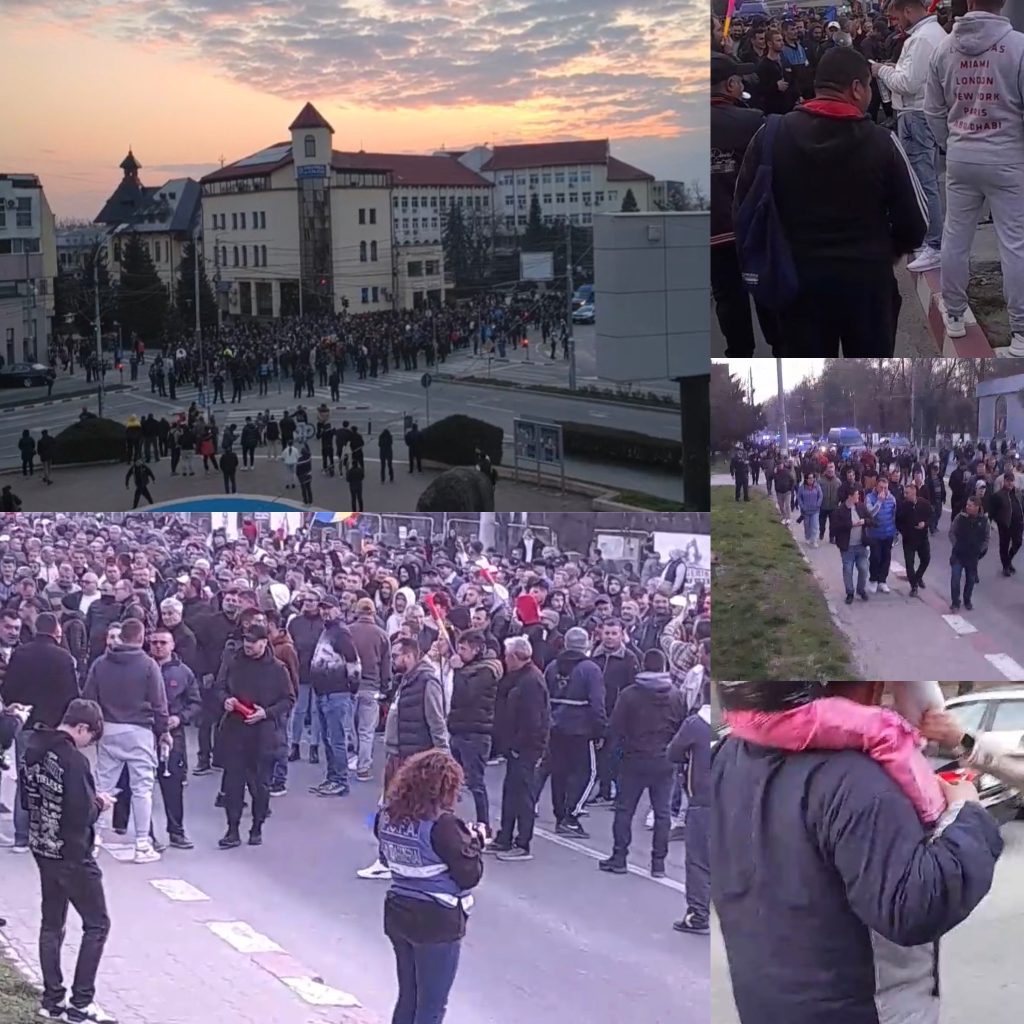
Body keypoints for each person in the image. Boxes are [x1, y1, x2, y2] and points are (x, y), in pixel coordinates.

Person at [713, 681, 1003, 1024]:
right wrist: (968, 818)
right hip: (860, 1008)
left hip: (765, 1002)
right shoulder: (859, 781)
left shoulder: (727, 755)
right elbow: (914, 907)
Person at [734, 47, 927, 355]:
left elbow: (744, 211)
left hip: (796, 284)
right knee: (869, 378)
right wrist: (885, 252)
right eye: (869, 86)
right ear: (856, 88)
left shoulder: (770, 136)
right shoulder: (882, 142)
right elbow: (916, 222)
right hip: (866, 287)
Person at [925, 0, 1024, 350]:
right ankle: (1021, 332)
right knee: (1014, 243)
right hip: (1008, 158)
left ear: (968, 2)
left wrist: (951, 143)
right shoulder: (1018, 47)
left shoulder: (944, 49)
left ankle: (954, 314)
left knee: (955, 236)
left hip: (961, 157)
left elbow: (932, 109)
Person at [21, 698, 117, 1024]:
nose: (88, 744)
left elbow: (26, 801)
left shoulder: (32, 749)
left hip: (42, 846)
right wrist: (99, 803)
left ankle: (52, 1000)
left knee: (52, 924)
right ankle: (81, 1004)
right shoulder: (73, 761)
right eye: (91, 737)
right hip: (72, 853)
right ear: (82, 728)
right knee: (97, 924)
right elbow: (81, 814)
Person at [375, 749, 484, 1024]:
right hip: (437, 919)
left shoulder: (385, 817)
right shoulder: (443, 825)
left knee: (408, 997)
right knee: (431, 1006)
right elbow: (469, 875)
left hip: (398, 912)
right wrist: (475, 843)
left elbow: (387, 858)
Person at [870, 0, 948, 273]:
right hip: (919, 113)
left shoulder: (922, 39)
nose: (895, 24)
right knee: (925, 178)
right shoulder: (929, 35)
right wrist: (895, 68)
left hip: (915, 114)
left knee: (924, 180)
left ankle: (935, 244)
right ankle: (932, 240)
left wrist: (882, 71)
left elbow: (908, 83)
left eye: (895, 18)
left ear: (907, 11)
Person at [83, 617, 168, 865]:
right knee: (142, 789)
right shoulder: (149, 665)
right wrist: (163, 731)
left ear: (121, 637)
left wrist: (94, 729)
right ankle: (142, 843)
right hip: (139, 731)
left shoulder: (101, 663)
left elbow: (88, 698)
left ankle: (93, 839)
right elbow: (159, 703)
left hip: (108, 728)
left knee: (103, 786)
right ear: (141, 638)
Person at [600, 649, 685, 879]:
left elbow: (615, 727)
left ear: (643, 665)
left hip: (634, 759)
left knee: (625, 810)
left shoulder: (630, 695)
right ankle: (658, 863)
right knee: (662, 813)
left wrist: (618, 751)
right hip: (664, 760)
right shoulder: (676, 696)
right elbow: (681, 727)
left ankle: (619, 857)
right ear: (664, 666)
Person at [1, 611, 81, 854]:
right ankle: (48, 835)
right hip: (54, 728)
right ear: (56, 631)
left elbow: (8, 689)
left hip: (27, 724)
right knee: (53, 780)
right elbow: (73, 696)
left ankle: (21, 837)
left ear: (36, 629)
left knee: (25, 778)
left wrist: (17, 708)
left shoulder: (20, 653)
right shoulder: (64, 658)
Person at [213, 622, 294, 848]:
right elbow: (219, 687)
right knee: (233, 784)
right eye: (246, 641)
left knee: (260, 786)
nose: (248, 646)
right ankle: (232, 830)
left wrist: (266, 713)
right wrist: (225, 700)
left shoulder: (277, 669)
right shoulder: (234, 662)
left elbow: (288, 699)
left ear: (264, 643)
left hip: (263, 734)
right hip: (235, 730)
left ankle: (257, 827)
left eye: (252, 642)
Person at [542, 626, 607, 839]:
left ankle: (560, 815)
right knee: (587, 773)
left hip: (555, 727)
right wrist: (600, 730)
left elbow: (544, 696)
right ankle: (571, 815)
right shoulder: (590, 669)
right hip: (581, 729)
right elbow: (597, 702)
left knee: (559, 773)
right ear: (586, 644)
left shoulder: (552, 666)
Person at [489, 635, 549, 862]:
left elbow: (534, 720)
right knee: (511, 793)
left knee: (523, 796)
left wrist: (519, 745)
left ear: (515, 657)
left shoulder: (531, 682)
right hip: (515, 746)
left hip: (526, 748)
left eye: (507, 656)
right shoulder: (518, 678)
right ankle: (504, 837)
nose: (505, 660)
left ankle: (523, 843)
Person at [447, 629, 502, 839]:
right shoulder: (469, 668)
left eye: (463, 649)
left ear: (476, 649)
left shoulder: (487, 670)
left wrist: (458, 671)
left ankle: (484, 825)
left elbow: (467, 695)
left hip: (475, 732)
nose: (459, 653)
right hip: (459, 728)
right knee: (453, 779)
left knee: (475, 782)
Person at [309, 596, 362, 798]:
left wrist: (352, 689)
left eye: (329, 608)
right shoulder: (327, 631)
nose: (325, 612)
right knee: (328, 739)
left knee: (336, 739)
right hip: (323, 693)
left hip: (337, 693)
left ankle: (340, 781)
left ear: (338, 609)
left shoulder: (341, 633)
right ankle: (332, 778)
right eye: (322, 608)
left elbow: (353, 662)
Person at [668, 689, 710, 934]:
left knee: (699, 862)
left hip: (704, 800)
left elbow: (673, 752)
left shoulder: (696, 724)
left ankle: (698, 916)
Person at [349, 597, 392, 782]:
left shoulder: (348, 632)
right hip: (371, 687)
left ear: (357, 611)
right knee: (366, 731)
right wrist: (385, 687)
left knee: (348, 727)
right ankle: (363, 768)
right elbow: (386, 664)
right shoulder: (382, 635)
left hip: (349, 686)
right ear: (373, 613)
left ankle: (348, 760)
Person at [949, 494, 990, 611]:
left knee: (970, 580)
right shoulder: (960, 517)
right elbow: (951, 532)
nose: (967, 507)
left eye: (970, 505)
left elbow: (987, 538)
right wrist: (956, 545)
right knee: (955, 578)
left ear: (977, 507)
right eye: (967, 505)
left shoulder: (984, 521)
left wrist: (980, 550)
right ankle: (955, 602)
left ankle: (967, 599)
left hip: (972, 557)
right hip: (958, 555)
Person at [832, 485, 870, 604]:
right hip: (847, 546)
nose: (858, 496)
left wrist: (865, 521)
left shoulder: (861, 507)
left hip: (861, 545)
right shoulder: (840, 510)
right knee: (848, 569)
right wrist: (850, 524)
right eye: (856, 495)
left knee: (864, 568)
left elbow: (872, 520)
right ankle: (850, 592)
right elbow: (834, 527)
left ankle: (861, 589)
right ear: (850, 496)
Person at [896, 481, 932, 596]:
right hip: (909, 540)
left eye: (907, 493)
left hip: (922, 538)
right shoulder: (903, 506)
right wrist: (905, 532)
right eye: (904, 493)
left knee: (926, 559)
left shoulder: (924, 504)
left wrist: (925, 524)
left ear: (914, 492)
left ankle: (918, 577)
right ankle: (914, 586)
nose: (905, 495)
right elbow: (898, 522)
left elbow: (931, 517)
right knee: (909, 564)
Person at [865, 477, 897, 594]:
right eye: (881, 487)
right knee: (875, 557)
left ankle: (882, 581)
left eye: (885, 488)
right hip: (875, 534)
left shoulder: (892, 499)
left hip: (888, 533)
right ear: (876, 487)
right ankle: (873, 579)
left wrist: (895, 532)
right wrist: (879, 502)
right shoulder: (870, 498)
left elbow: (894, 516)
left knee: (886, 558)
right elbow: (870, 514)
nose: (883, 490)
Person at [989, 470, 1024, 576]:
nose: (1010, 483)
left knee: (1018, 543)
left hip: (1018, 524)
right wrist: (998, 522)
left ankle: (1008, 560)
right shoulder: (998, 495)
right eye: (1008, 480)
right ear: (1004, 481)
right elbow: (992, 512)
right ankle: (1005, 566)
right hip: (1005, 526)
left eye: (1012, 481)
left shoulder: (1017, 493)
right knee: (1004, 546)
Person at [796, 472, 823, 547]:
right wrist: (802, 506)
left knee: (815, 525)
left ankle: (814, 540)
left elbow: (820, 496)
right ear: (806, 479)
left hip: (815, 510)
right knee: (807, 525)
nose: (811, 480)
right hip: (805, 511)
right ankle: (807, 537)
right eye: (809, 478)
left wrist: (818, 504)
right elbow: (799, 497)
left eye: (813, 478)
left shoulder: (817, 486)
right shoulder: (802, 487)